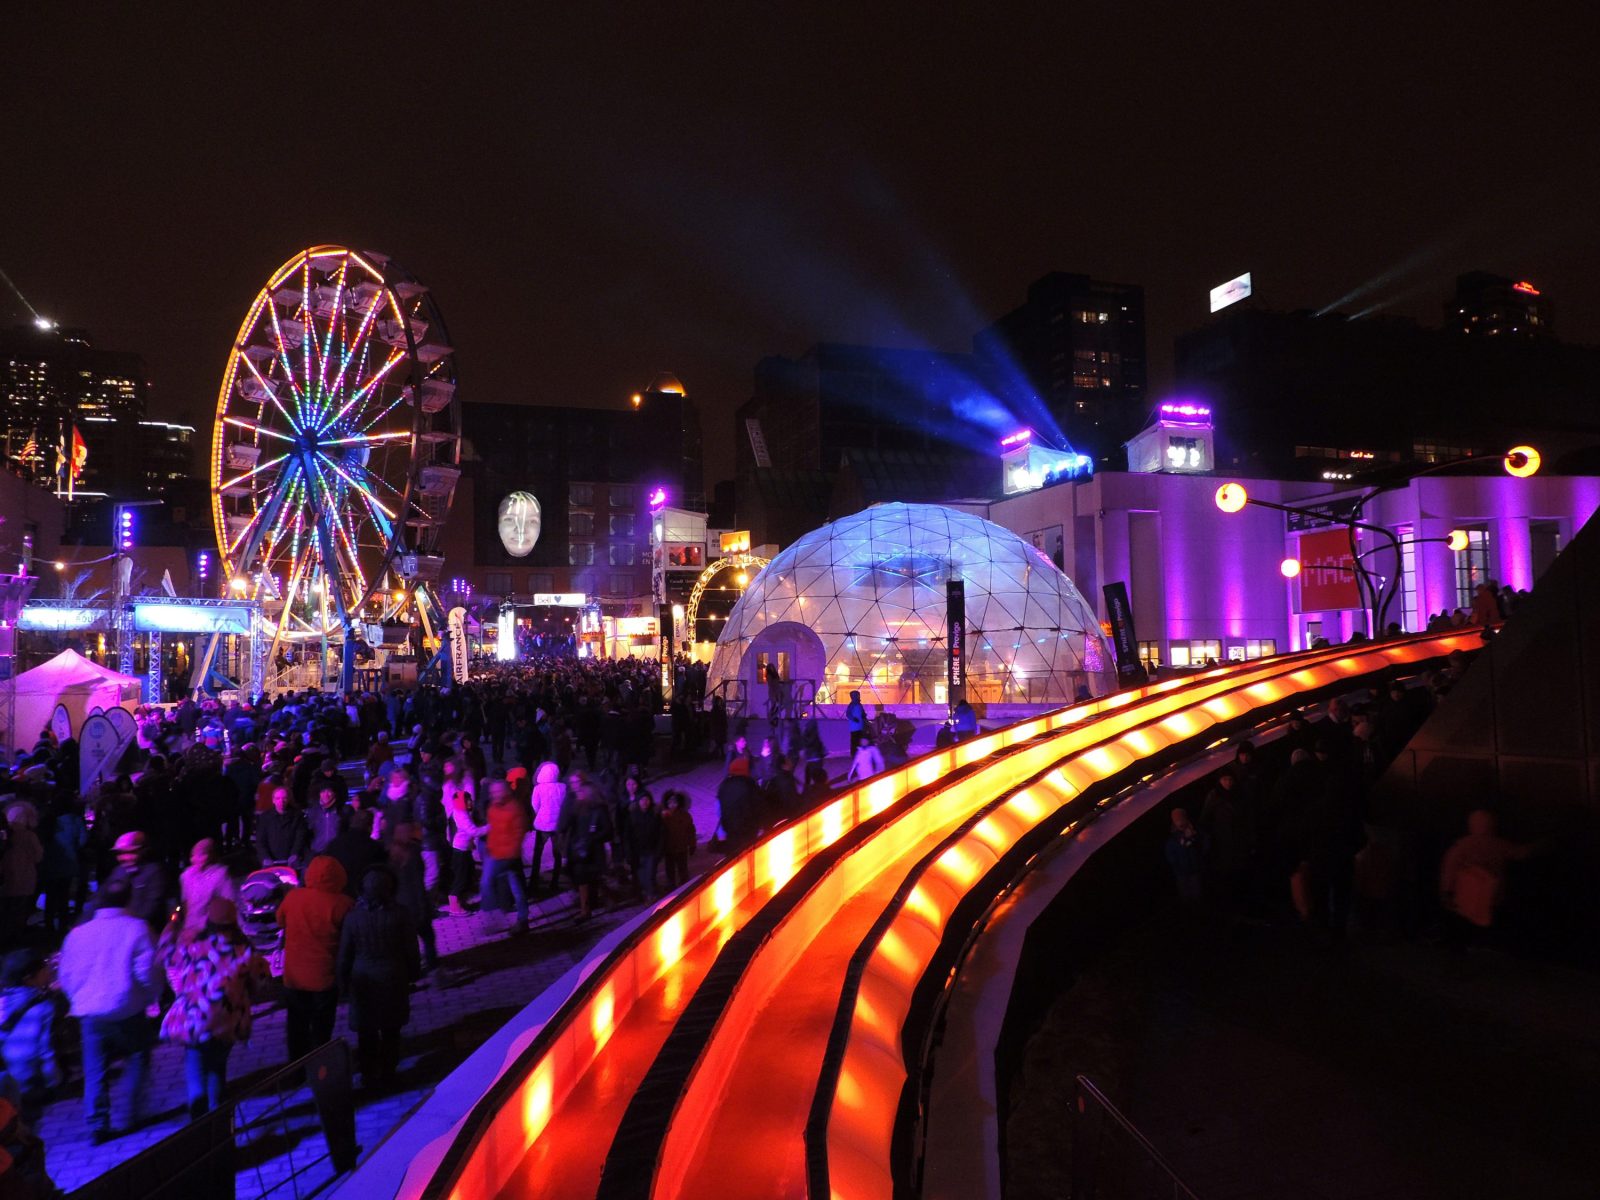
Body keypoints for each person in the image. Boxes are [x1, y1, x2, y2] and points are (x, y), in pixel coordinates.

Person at [58, 877, 157, 1144]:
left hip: (91, 1013)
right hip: (128, 1008)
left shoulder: (77, 934)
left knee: (95, 1068)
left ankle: (97, 1123)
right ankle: (130, 1113)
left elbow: (66, 973)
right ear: (129, 899)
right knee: (137, 1056)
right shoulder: (137, 928)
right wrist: (151, 998)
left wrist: (77, 999)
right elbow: (146, 971)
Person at [157, 897, 267, 1117]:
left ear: (209, 921)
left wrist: (172, 924)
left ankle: (198, 1115)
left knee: (195, 1065)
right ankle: (218, 1117)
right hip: (227, 1021)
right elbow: (261, 981)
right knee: (217, 1067)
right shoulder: (246, 953)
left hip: (194, 1020)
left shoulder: (192, 948)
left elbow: (165, 955)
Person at [338, 867, 419, 1089]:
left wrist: (342, 982)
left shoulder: (353, 918)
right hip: (393, 975)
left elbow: (345, 953)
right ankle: (389, 1072)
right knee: (391, 1029)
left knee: (366, 1030)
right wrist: (414, 973)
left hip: (363, 978)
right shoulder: (400, 914)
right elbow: (411, 948)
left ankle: (368, 1073)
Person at [275, 855, 354, 1062]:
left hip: (294, 976)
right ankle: (320, 1068)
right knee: (322, 1026)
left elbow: (280, 920)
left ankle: (296, 1067)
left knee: (296, 1025)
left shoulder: (294, 897)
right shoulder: (344, 904)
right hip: (324, 976)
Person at [1440, 809, 1532, 938]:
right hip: (1492, 896)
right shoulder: (1498, 844)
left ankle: (1472, 943)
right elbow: (1520, 853)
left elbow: (1449, 869)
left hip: (1468, 896)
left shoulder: (1462, 846)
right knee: (1487, 924)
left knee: (1469, 923)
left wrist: (1446, 891)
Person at [0, 950, 65, 1124]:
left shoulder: (2, 1003)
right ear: (29, 978)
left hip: (7, 1079)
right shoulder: (43, 1007)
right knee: (31, 1124)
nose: (49, 970)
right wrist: (54, 1081)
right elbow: (45, 1050)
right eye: (44, 968)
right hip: (30, 1078)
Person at [559, 778, 614, 921]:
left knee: (595, 878)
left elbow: (608, 831)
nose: (578, 794)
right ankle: (585, 910)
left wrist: (593, 838)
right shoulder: (576, 808)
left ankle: (607, 899)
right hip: (580, 851)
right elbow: (565, 825)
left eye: (581, 792)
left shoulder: (599, 810)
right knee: (582, 879)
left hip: (594, 851)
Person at [387, 825, 438, 975]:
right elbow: (418, 884)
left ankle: (412, 970)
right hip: (415, 902)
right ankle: (434, 969)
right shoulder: (413, 854)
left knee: (408, 940)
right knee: (427, 937)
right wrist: (424, 906)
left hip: (400, 903)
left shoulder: (391, 854)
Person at [481, 780, 530, 933]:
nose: (495, 795)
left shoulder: (515, 809)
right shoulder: (493, 807)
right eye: (493, 792)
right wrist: (489, 847)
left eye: (498, 791)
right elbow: (493, 830)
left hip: (506, 856)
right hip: (497, 853)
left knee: (486, 882)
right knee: (517, 888)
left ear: (506, 791)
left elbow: (519, 834)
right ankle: (523, 920)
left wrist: (508, 854)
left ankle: (495, 918)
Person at [103, 831, 174, 933]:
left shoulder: (154, 872)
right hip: (118, 927)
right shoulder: (118, 871)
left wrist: (128, 926)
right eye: (121, 853)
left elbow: (151, 907)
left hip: (143, 930)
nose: (124, 857)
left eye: (131, 852)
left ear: (143, 851)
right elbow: (101, 898)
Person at [443, 763, 486, 918]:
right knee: (460, 879)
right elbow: (473, 831)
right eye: (468, 800)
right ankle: (454, 907)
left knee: (466, 875)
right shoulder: (461, 815)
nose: (470, 802)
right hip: (460, 851)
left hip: (464, 849)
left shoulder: (461, 812)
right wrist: (490, 827)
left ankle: (460, 902)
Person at [178, 838, 238, 938]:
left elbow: (228, 905)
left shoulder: (221, 875)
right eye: (193, 855)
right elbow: (186, 904)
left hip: (212, 929)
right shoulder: (186, 876)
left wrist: (203, 928)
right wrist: (187, 928)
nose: (195, 859)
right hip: (189, 929)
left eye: (201, 854)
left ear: (209, 855)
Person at [0, 803, 42, 938]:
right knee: (20, 908)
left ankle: (5, 935)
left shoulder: (5, 834)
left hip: (5, 877)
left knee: (5, 908)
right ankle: (16, 935)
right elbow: (38, 856)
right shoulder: (30, 836)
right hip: (25, 876)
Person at [528, 761, 565, 893]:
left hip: (542, 824)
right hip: (557, 824)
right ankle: (555, 882)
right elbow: (564, 804)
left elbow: (535, 805)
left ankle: (533, 882)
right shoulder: (562, 787)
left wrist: (540, 814)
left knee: (538, 853)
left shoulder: (538, 788)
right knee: (557, 854)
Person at [715, 759, 763, 855]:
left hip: (730, 828)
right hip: (748, 828)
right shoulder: (749, 784)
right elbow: (758, 806)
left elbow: (719, 808)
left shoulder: (724, 785)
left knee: (734, 854)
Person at [256, 785, 309, 869]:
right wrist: (265, 857)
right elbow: (260, 840)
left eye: (284, 798)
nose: (281, 801)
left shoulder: (297, 816)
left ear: (288, 799)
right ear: (273, 800)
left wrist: (294, 854)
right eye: (278, 798)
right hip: (271, 861)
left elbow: (300, 837)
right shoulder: (265, 817)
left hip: (291, 860)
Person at [627, 787, 664, 901]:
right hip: (637, 852)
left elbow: (661, 834)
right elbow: (627, 835)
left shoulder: (655, 815)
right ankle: (648, 893)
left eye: (647, 799)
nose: (645, 802)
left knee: (650, 874)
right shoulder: (632, 816)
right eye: (642, 800)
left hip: (651, 851)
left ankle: (651, 896)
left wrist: (659, 850)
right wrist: (629, 852)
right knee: (642, 876)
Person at [1164, 808, 1207, 903]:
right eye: (1177, 820)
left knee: (1197, 893)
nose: (1180, 822)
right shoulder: (1173, 839)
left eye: (1181, 819)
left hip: (1195, 869)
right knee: (1185, 894)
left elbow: (1205, 843)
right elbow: (1170, 855)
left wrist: (1195, 839)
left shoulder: (1195, 831)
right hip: (1181, 873)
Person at [660, 791, 697, 891]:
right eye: (670, 802)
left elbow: (691, 831)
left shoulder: (685, 815)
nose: (672, 805)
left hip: (681, 847)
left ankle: (685, 886)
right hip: (668, 848)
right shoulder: (663, 816)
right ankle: (671, 886)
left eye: (674, 802)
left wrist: (692, 844)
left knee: (683, 868)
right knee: (670, 869)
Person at [845, 690, 868, 755]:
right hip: (854, 727)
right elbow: (848, 714)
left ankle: (858, 753)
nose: (858, 696)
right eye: (857, 695)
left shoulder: (859, 704)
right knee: (855, 740)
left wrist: (864, 716)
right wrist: (854, 719)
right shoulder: (852, 705)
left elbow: (862, 713)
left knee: (859, 740)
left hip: (860, 726)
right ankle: (854, 753)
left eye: (858, 695)